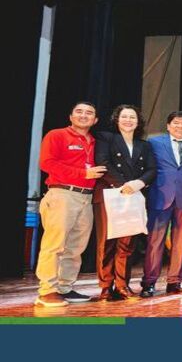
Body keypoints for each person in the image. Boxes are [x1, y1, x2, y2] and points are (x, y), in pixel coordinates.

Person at [35, 101, 107, 307]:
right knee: (54, 245)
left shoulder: (94, 141)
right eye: (79, 112)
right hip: (62, 194)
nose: (84, 115)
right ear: (71, 116)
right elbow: (47, 163)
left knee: (76, 247)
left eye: (89, 113)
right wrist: (83, 173)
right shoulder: (56, 135)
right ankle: (47, 290)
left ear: (95, 120)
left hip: (86, 197)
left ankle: (65, 287)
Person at [93, 105, 157, 300]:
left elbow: (152, 169)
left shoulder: (144, 145)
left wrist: (139, 183)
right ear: (117, 119)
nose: (128, 120)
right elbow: (103, 162)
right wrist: (123, 186)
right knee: (107, 243)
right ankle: (105, 287)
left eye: (133, 117)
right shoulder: (106, 138)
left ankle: (122, 286)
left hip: (134, 196)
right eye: (124, 117)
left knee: (127, 245)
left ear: (138, 122)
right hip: (109, 194)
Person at [140, 111, 182, 297]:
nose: (180, 126)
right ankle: (149, 282)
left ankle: (175, 282)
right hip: (160, 197)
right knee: (155, 242)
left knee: (180, 243)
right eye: (176, 123)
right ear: (168, 126)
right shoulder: (155, 143)